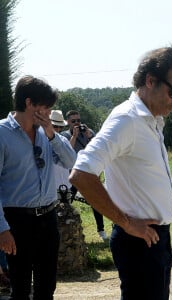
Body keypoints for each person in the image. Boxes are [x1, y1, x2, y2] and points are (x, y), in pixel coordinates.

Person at [69, 46, 172, 300]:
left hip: (153, 239)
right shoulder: (127, 120)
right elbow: (81, 173)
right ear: (150, 81)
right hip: (139, 241)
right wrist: (126, 223)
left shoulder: (151, 120)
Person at [0, 75, 76, 300]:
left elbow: (72, 163)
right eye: (46, 106)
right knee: (21, 290)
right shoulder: (2, 133)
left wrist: (52, 134)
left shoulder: (46, 133)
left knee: (46, 289)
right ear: (29, 103)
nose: (49, 112)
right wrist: (2, 229)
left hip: (48, 218)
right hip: (16, 221)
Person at [61, 110, 108, 240]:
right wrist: (74, 136)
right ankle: (63, 227)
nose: (77, 123)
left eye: (78, 120)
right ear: (68, 123)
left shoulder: (88, 133)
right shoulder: (64, 136)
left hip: (88, 173)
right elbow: (66, 152)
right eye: (73, 121)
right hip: (72, 175)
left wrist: (89, 136)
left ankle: (101, 230)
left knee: (95, 201)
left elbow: (98, 149)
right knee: (67, 201)